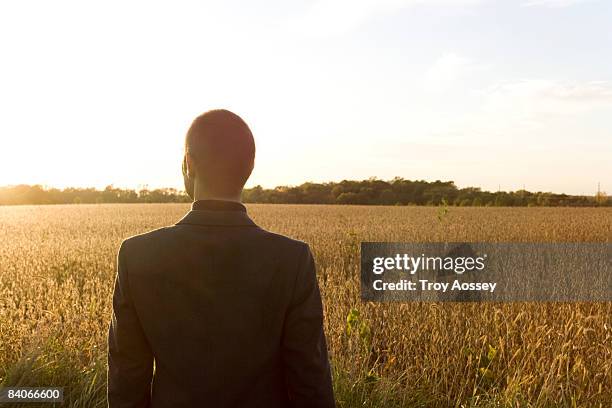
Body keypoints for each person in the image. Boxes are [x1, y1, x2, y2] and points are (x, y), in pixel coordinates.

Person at [107, 109, 335, 407]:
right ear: (250, 167)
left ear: (188, 163)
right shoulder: (292, 259)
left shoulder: (137, 255)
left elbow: (126, 382)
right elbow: (310, 383)